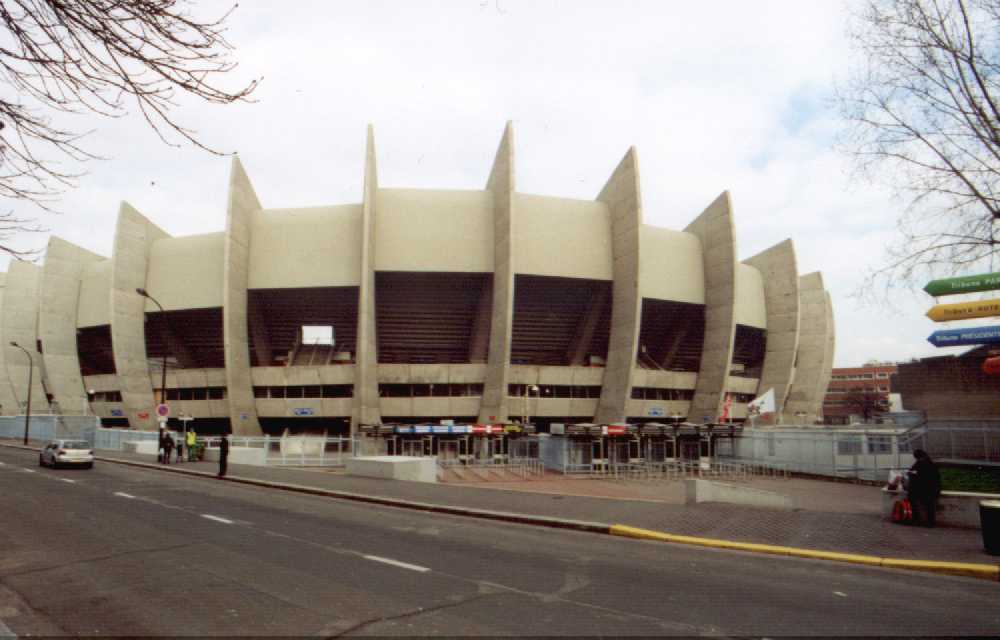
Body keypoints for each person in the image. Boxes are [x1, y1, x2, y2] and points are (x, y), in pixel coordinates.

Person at [907, 449, 942, 527]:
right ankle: (928, 522)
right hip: (929, 488)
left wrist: (913, 473)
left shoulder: (925, 463)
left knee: (925, 503)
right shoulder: (928, 462)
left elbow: (922, 475)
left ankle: (918, 520)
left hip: (928, 488)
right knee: (928, 504)